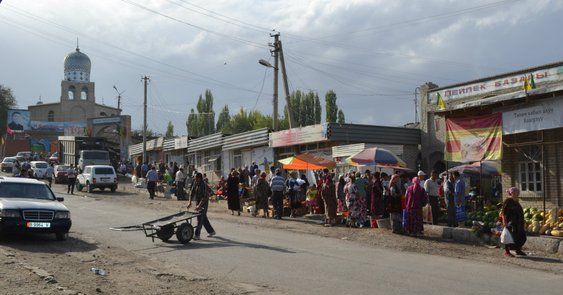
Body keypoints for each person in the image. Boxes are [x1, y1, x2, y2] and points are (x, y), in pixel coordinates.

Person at [188, 172, 215, 240]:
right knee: (203, 218)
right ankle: (211, 231)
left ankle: (197, 235)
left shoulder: (204, 185)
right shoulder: (196, 182)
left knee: (200, 218)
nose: (195, 179)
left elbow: (205, 197)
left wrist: (199, 206)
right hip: (198, 201)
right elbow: (192, 192)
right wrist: (190, 202)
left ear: (199, 178)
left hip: (204, 203)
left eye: (196, 177)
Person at [501, 187, 527, 257]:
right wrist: (504, 222)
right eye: (515, 192)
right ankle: (507, 252)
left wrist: (523, 221)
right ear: (511, 193)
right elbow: (503, 212)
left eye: (518, 192)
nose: (517, 193)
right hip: (510, 222)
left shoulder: (516, 201)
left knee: (521, 237)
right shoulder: (508, 201)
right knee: (509, 237)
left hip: (518, 223)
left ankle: (518, 250)